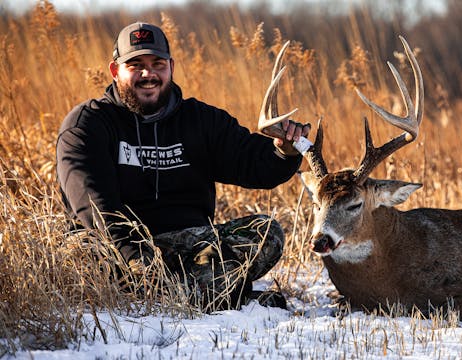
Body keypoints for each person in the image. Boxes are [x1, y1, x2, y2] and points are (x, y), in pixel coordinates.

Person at [56, 22, 310, 311]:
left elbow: (254, 164)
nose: (148, 74)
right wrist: (138, 260)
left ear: (171, 68)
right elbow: (94, 206)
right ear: (115, 71)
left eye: (157, 64)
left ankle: (190, 293)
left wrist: (285, 151)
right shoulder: (87, 125)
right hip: (116, 249)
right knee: (82, 258)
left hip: (187, 246)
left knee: (267, 232)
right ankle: (221, 295)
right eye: (135, 64)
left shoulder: (200, 121)